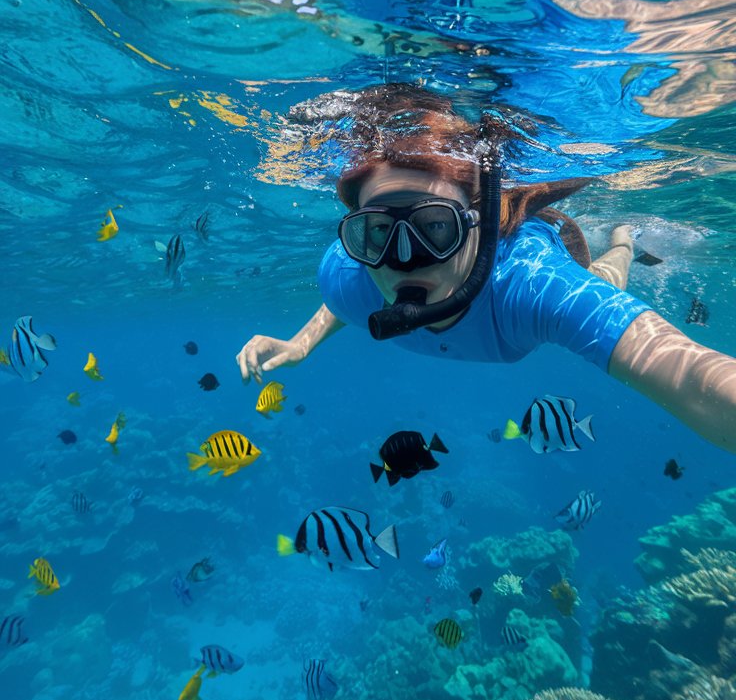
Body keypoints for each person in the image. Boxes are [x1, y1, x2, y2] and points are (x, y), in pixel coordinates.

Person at [237, 84, 736, 454]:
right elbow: (345, 297)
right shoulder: (346, 274)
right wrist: (299, 343)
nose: (401, 258)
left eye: (434, 228)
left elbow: (693, 379)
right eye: (376, 234)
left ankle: (623, 239)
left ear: (473, 226)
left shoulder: (531, 286)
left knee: (604, 279)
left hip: (541, 244)